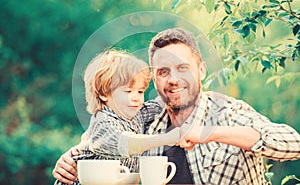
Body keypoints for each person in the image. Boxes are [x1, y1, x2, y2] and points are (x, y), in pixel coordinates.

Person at [53, 28, 300, 184]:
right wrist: (71, 157)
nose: (173, 79)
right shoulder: (145, 117)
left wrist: (208, 134)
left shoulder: (227, 111)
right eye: (163, 71)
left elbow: (294, 145)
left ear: (201, 70)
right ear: (154, 77)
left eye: (183, 68)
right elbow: (102, 136)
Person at [54, 49, 180, 185]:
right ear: (103, 93)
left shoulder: (138, 114)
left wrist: (201, 95)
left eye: (140, 91)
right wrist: (167, 138)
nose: (136, 97)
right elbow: (125, 143)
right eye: (128, 91)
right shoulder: (102, 122)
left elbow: (163, 102)